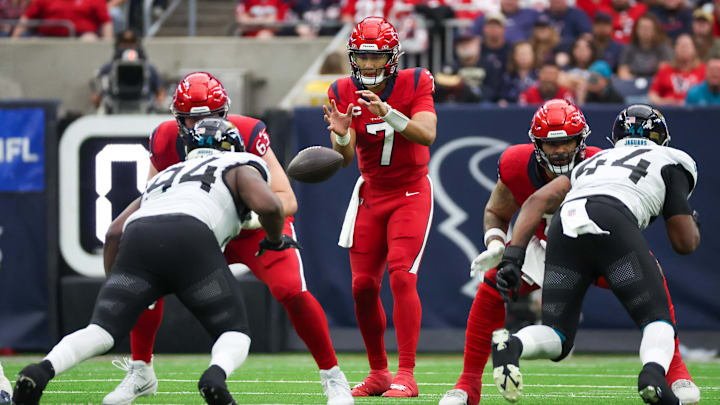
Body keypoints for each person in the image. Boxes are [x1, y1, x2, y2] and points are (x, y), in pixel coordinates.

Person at [101, 72, 353, 405]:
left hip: (251, 230)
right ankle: (141, 371)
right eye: (193, 118)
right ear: (178, 120)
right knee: (147, 281)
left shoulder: (248, 132)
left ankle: (333, 377)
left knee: (291, 289)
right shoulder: (165, 139)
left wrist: (244, 214)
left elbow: (285, 199)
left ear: (225, 115)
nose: (203, 126)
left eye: (210, 117)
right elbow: (151, 202)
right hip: (198, 230)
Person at [12, 118, 304, 405]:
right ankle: (215, 375)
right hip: (191, 236)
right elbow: (270, 205)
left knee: (99, 330)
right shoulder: (237, 166)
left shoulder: (168, 173)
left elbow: (114, 231)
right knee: (234, 331)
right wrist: (276, 240)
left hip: (138, 238)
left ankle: (42, 369)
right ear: (235, 147)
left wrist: (118, 284)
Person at [438, 99, 700, 405]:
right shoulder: (517, 163)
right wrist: (497, 243)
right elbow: (498, 210)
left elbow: (538, 201)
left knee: (643, 283)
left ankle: (677, 371)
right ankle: (467, 384)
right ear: (536, 144)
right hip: (550, 240)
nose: (560, 151)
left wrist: (512, 252)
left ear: (583, 141)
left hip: (567, 237)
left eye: (568, 142)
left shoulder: (596, 160)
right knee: (492, 286)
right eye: (551, 145)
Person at [323, 16, 436, 398]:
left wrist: (387, 111)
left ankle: (407, 373)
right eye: (362, 56)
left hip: (410, 192)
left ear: (392, 57)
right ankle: (379, 373)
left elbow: (427, 133)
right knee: (362, 287)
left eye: (376, 57)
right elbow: (343, 159)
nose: (368, 65)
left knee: (402, 275)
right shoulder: (341, 89)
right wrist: (341, 135)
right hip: (371, 193)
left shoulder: (416, 81)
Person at [648, 33, 706, 106]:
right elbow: (652, 95)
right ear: (674, 49)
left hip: (696, 111)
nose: (684, 48)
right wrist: (664, 102)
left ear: (694, 49)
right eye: (681, 46)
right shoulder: (665, 70)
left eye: (687, 46)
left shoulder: (704, 69)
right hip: (669, 111)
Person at [11, 0, 113, 39]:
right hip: (47, 38)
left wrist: (108, 41)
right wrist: (14, 38)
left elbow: (106, 22)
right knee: (33, 41)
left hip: (80, 37)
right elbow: (26, 19)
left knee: (89, 39)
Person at [617, 13, 673, 80]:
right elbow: (622, 71)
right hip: (632, 83)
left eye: (648, 28)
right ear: (636, 29)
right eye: (642, 27)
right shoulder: (629, 48)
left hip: (655, 84)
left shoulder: (663, 48)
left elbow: (664, 72)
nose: (645, 31)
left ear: (655, 30)